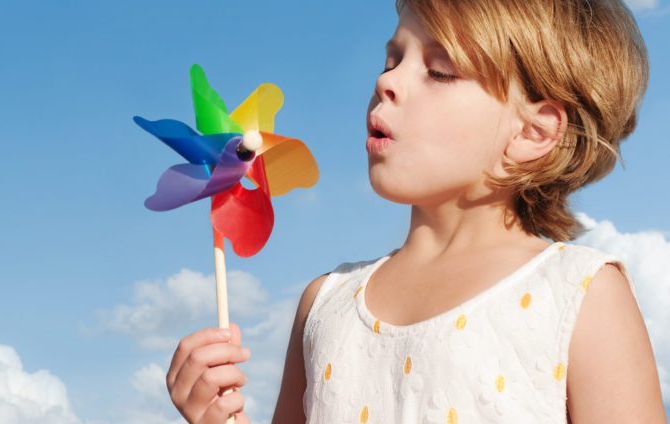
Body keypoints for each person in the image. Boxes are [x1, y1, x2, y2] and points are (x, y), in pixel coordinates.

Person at [164, 0, 667, 422]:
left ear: (531, 132)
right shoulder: (325, 305)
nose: (387, 82)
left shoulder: (579, 294)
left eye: (439, 71)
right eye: (391, 60)